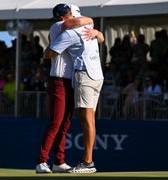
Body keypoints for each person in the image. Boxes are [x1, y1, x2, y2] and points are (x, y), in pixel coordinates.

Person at [44, 4, 104, 173]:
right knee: (90, 119)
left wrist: (48, 49)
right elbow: (101, 38)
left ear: (65, 18)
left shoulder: (69, 33)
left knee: (85, 120)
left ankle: (87, 162)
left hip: (84, 75)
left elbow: (50, 53)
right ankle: (88, 160)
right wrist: (95, 29)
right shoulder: (90, 28)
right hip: (98, 75)